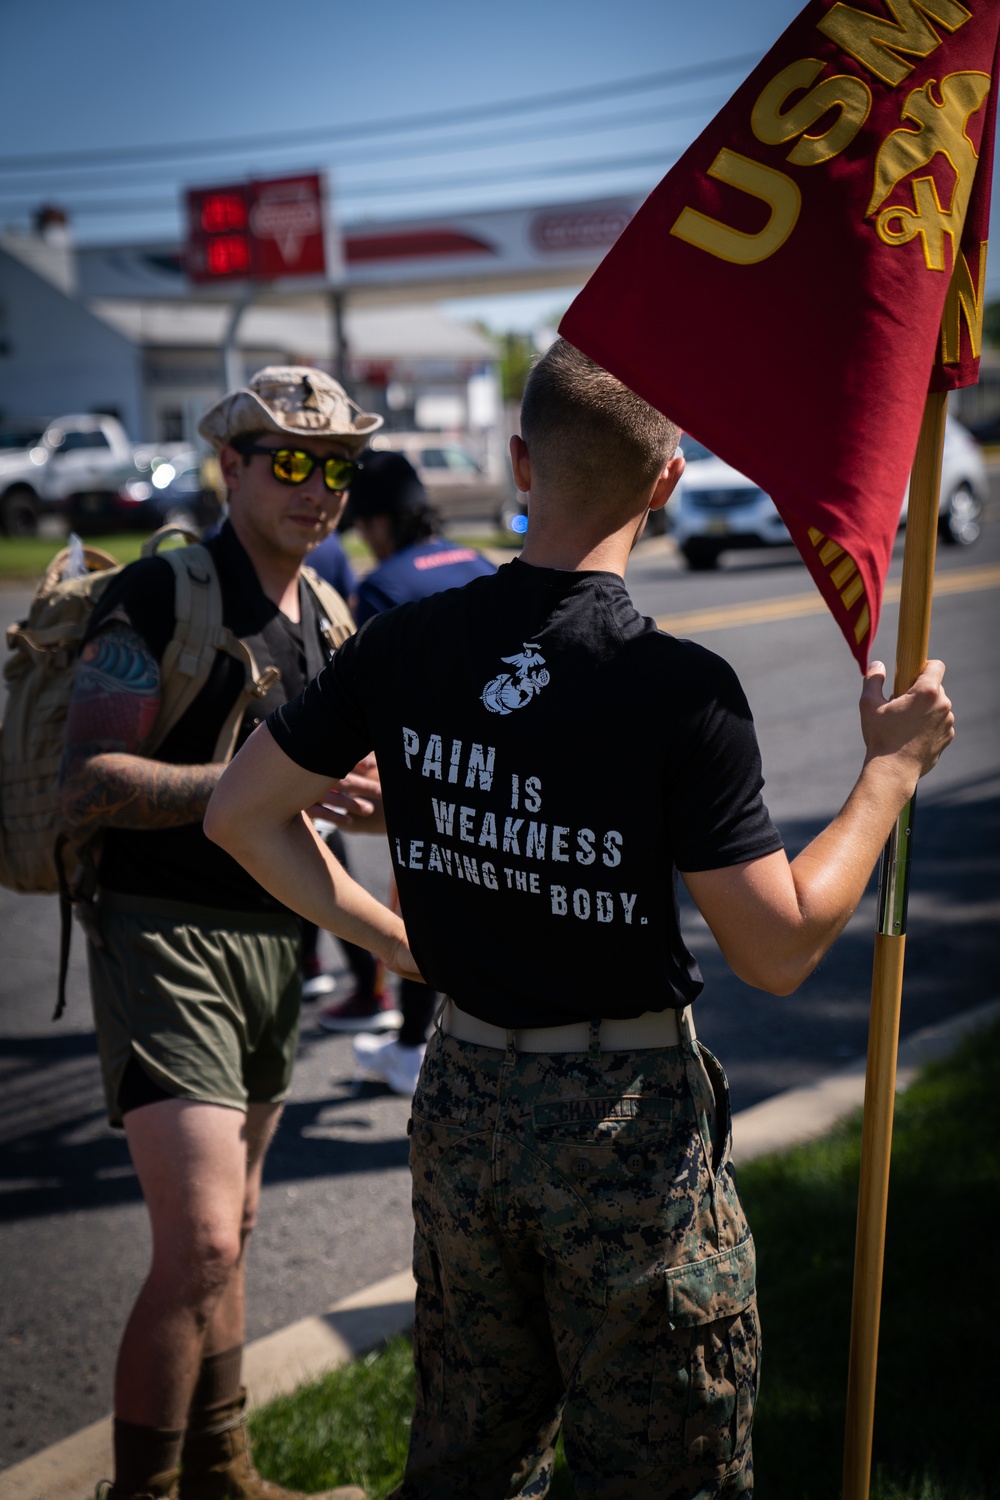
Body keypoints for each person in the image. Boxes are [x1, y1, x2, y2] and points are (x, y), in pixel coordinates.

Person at [204, 339, 955, 1499]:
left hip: (457, 1100)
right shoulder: (677, 687)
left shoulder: (408, 643)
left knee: (468, 1455)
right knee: (661, 1471)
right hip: (621, 1130)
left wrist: (388, 940)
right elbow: (778, 946)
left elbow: (241, 816)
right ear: (665, 482)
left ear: (517, 465)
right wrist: (888, 778)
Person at [59, 364, 387, 1500]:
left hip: (274, 943)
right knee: (198, 1243)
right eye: (291, 461)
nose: (319, 487)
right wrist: (245, 791)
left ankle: (226, 1474)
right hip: (162, 937)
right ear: (230, 466)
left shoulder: (330, 616)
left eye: (338, 465)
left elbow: (336, 791)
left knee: (236, 1227)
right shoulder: (159, 598)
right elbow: (88, 778)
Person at [316, 449, 495, 1099]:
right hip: (500, 768)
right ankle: (419, 1041)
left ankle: (413, 1049)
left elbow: (364, 699)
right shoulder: (477, 561)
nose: (362, 539)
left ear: (382, 520)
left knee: (414, 911)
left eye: (363, 525)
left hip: (429, 767)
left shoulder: (384, 586)